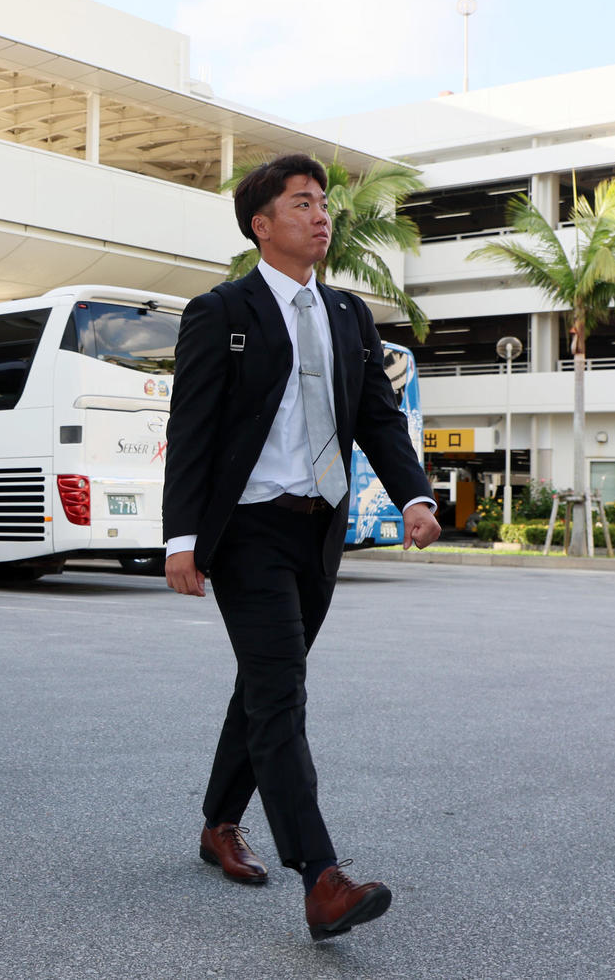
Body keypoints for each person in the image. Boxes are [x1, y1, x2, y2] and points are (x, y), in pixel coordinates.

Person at [162, 154, 441, 940]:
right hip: (247, 529)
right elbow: (193, 429)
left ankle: (220, 821)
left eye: (323, 204)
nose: (322, 216)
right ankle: (322, 877)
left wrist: (415, 495)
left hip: (318, 528)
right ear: (262, 224)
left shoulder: (349, 314)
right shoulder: (222, 311)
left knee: (265, 681)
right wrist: (182, 538)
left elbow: (378, 418)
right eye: (302, 203)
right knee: (281, 693)